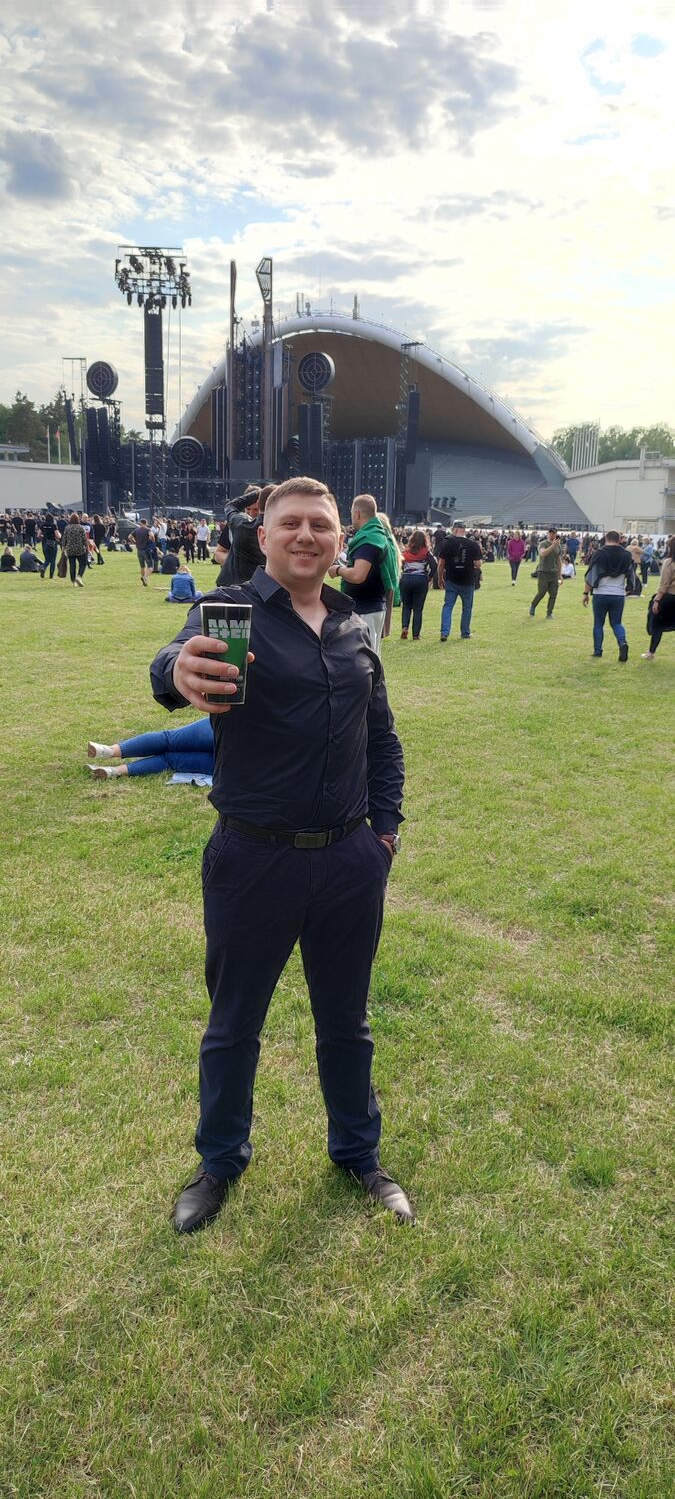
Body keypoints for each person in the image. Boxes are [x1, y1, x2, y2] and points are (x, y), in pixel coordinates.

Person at [150, 475, 412, 1234]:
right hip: (252, 860)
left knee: (347, 1022)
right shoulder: (228, 611)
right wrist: (176, 670)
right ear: (262, 536)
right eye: (290, 523)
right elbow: (173, 661)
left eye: (320, 525)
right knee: (233, 1025)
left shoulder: (354, 624)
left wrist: (384, 833)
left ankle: (358, 1153)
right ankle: (219, 1162)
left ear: (339, 540)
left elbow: (382, 737)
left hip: (349, 860)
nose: (306, 535)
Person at [329, 493, 401, 656]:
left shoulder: (369, 539)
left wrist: (338, 570)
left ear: (357, 514)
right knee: (370, 655)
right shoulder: (377, 535)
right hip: (372, 606)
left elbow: (358, 575)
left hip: (366, 608)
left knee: (365, 658)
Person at [86, 718, 214, 779]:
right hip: (225, 763)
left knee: (168, 739)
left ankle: (108, 751)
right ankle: (114, 771)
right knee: (171, 761)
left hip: (222, 726)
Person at [582, 530, 634, 661]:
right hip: (618, 594)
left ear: (606, 538)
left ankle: (597, 651)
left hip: (601, 593)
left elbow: (591, 575)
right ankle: (622, 642)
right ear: (619, 539)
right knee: (616, 623)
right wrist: (629, 589)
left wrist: (585, 593)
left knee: (598, 623)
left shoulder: (599, 554)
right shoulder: (626, 555)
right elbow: (631, 574)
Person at [437, 521, 482, 640]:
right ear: (464, 530)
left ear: (455, 529)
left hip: (451, 579)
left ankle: (444, 632)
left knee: (448, 606)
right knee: (467, 608)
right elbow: (478, 564)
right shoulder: (473, 544)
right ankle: (465, 632)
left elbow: (441, 564)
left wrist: (440, 578)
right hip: (467, 580)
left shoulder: (447, 543)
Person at [399, 529, 437, 639]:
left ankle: (405, 627)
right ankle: (416, 634)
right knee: (418, 609)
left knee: (406, 606)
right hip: (421, 580)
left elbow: (400, 563)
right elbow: (434, 565)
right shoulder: (426, 552)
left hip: (406, 579)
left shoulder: (405, 552)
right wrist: (429, 577)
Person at [642, 535, 675, 660]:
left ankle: (651, 652)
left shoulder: (669, 563)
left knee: (658, 625)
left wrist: (657, 600)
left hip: (670, 598)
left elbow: (665, 583)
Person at [529, 528, 561, 619]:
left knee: (553, 594)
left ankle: (549, 613)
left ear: (556, 534)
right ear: (548, 534)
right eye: (550, 533)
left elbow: (558, 561)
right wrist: (553, 546)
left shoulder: (558, 546)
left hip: (553, 573)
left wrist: (559, 574)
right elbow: (542, 554)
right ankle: (533, 606)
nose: (552, 535)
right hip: (543, 572)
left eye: (553, 533)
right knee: (542, 592)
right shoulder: (543, 544)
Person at [61, 512, 88, 586]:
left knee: (72, 565)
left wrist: (63, 549)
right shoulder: (80, 528)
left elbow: (64, 539)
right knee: (83, 564)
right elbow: (84, 539)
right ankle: (79, 576)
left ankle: (73, 582)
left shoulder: (67, 528)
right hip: (80, 549)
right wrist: (87, 547)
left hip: (70, 549)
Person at [39, 512, 61, 578]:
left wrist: (43, 536)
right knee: (53, 560)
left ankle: (43, 567)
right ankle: (51, 575)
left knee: (47, 559)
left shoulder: (43, 525)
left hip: (44, 543)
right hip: (52, 543)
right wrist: (60, 535)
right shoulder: (53, 525)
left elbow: (38, 535)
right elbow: (58, 535)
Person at [132, 519, 152, 586]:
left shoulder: (136, 530)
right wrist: (152, 540)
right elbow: (151, 535)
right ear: (146, 523)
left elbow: (129, 537)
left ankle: (144, 581)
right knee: (150, 566)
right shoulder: (148, 530)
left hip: (139, 550)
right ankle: (145, 577)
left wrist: (135, 542)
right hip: (146, 550)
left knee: (142, 566)